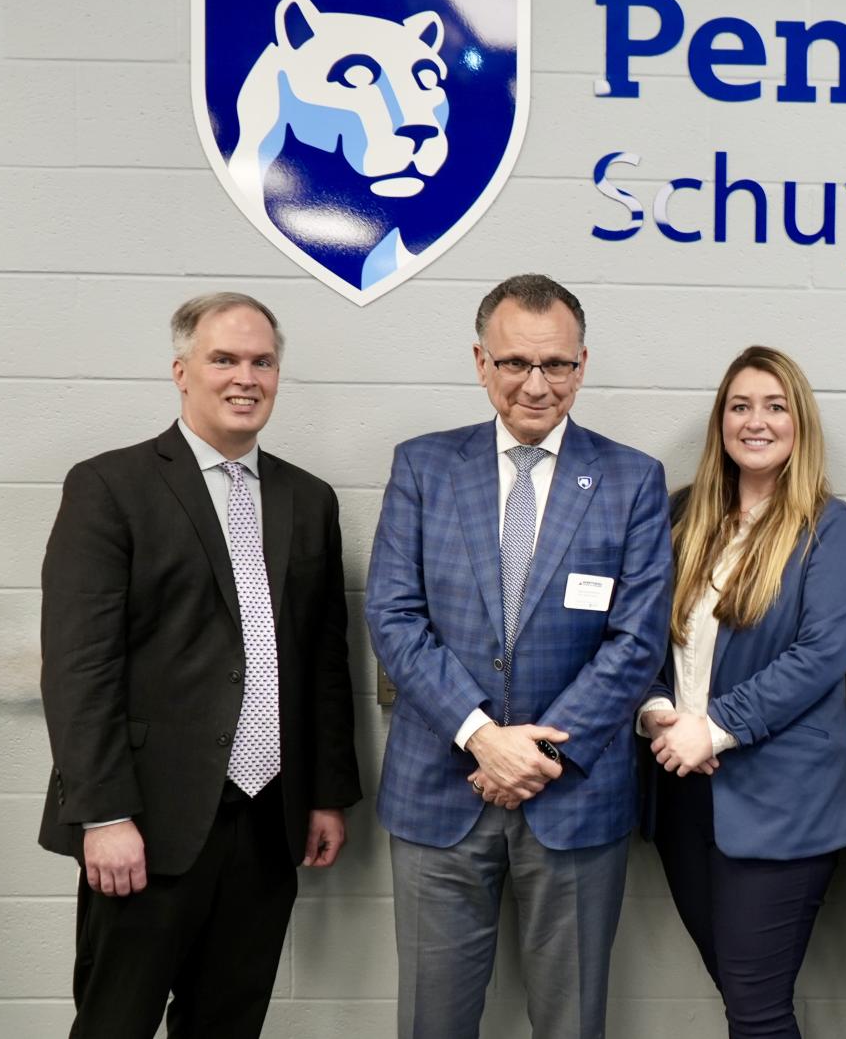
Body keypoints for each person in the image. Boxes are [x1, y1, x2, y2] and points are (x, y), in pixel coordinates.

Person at [37, 292, 362, 1038]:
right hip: (147, 824)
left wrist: (326, 793)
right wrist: (104, 813)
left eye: (262, 361)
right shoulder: (110, 486)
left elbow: (323, 663)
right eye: (224, 359)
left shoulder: (308, 499)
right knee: (116, 1022)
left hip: (268, 819)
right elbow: (79, 666)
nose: (245, 377)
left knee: (228, 1020)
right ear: (182, 371)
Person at [365, 273, 672, 1039]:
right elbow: (394, 617)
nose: (536, 385)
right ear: (480, 362)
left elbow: (636, 641)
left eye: (556, 365)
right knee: (433, 1023)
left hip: (572, 797)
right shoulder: (424, 468)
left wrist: (538, 755)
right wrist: (482, 736)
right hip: (440, 791)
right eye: (514, 363)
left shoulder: (632, 479)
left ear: (582, 362)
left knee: (571, 1023)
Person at [638, 346, 846, 1039]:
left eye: (775, 406)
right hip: (683, 793)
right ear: (720, 422)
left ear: (800, 422)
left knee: (756, 1006)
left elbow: (819, 657)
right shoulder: (681, 516)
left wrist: (712, 727)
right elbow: (637, 635)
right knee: (743, 993)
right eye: (740, 406)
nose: (756, 421)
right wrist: (657, 714)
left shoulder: (832, 531)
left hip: (783, 808)